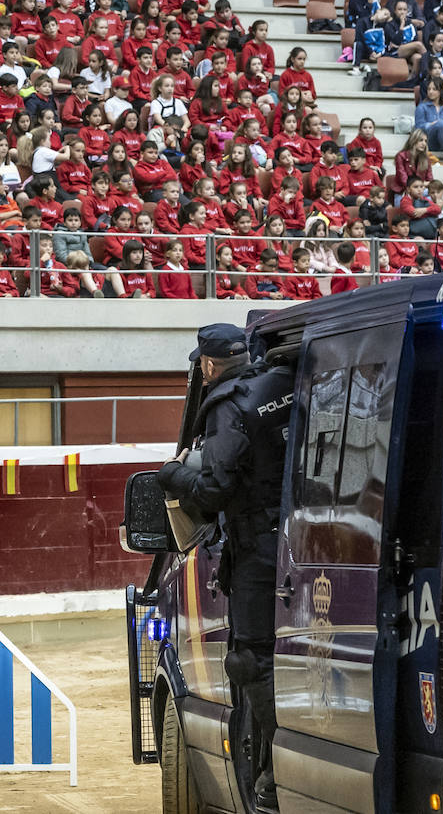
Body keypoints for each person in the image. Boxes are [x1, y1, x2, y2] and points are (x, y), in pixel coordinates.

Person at [154, 324, 293, 813]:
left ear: (209, 366)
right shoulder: (287, 380)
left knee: (251, 660)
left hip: (257, 548)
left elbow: (214, 489)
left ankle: (275, 778)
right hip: (302, 541)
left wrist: (170, 473)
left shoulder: (226, 404)